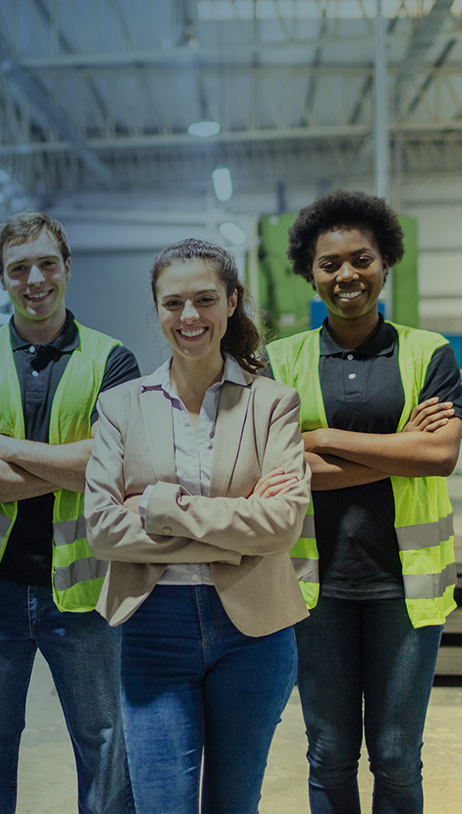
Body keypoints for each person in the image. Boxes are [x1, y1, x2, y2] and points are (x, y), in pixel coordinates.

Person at [84, 237, 312, 814]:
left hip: (254, 633)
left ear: (232, 302)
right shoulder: (120, 406)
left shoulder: (273, 404)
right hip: (152, 625)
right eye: (173, 303)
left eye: (205, 300)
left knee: (235, 803)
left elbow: (282, 524)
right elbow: (103, 529)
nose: (190, 317)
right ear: (157, 309)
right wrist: (239, 527)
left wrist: (162, 505)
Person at [266, 189, 462, 814]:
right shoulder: (280, 360)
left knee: (397, 756)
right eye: (330, 264)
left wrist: (320, 438)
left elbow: (439, 456)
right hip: (312, 585)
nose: (347, 275)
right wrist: (395, 446)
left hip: (406, 586)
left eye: (361, 259)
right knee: (327, 752)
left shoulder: (427, 351)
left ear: (384, 263)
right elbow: (277, 470)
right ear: (310, 272)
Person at [0, 211, 139, 814]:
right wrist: (71, 466)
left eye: (46, 263)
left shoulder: (113, 360)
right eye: (18, 268)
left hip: (84, 590)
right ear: (2, 279)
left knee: (105, 742)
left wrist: (1, 447)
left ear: (66, 270)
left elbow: (109, 469)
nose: (35, 278)